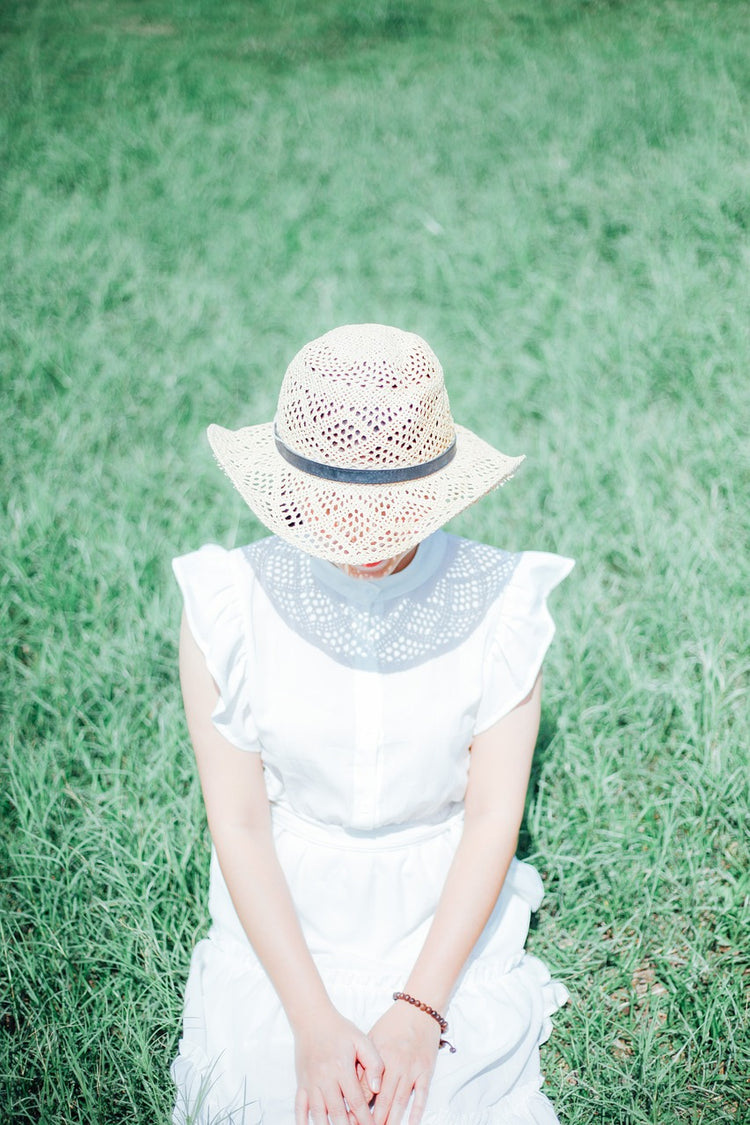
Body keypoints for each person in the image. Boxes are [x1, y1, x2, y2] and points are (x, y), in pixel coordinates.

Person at [171, 323, 574, 1125]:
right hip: (285, 911)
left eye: (390, 511)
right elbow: (241, 824)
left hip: (442, 911)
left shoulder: (501, 606)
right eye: (336, 506)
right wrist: (313, 1021)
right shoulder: (227, 605)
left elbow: (494, 816)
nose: (361, 538)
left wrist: (422, 1012)